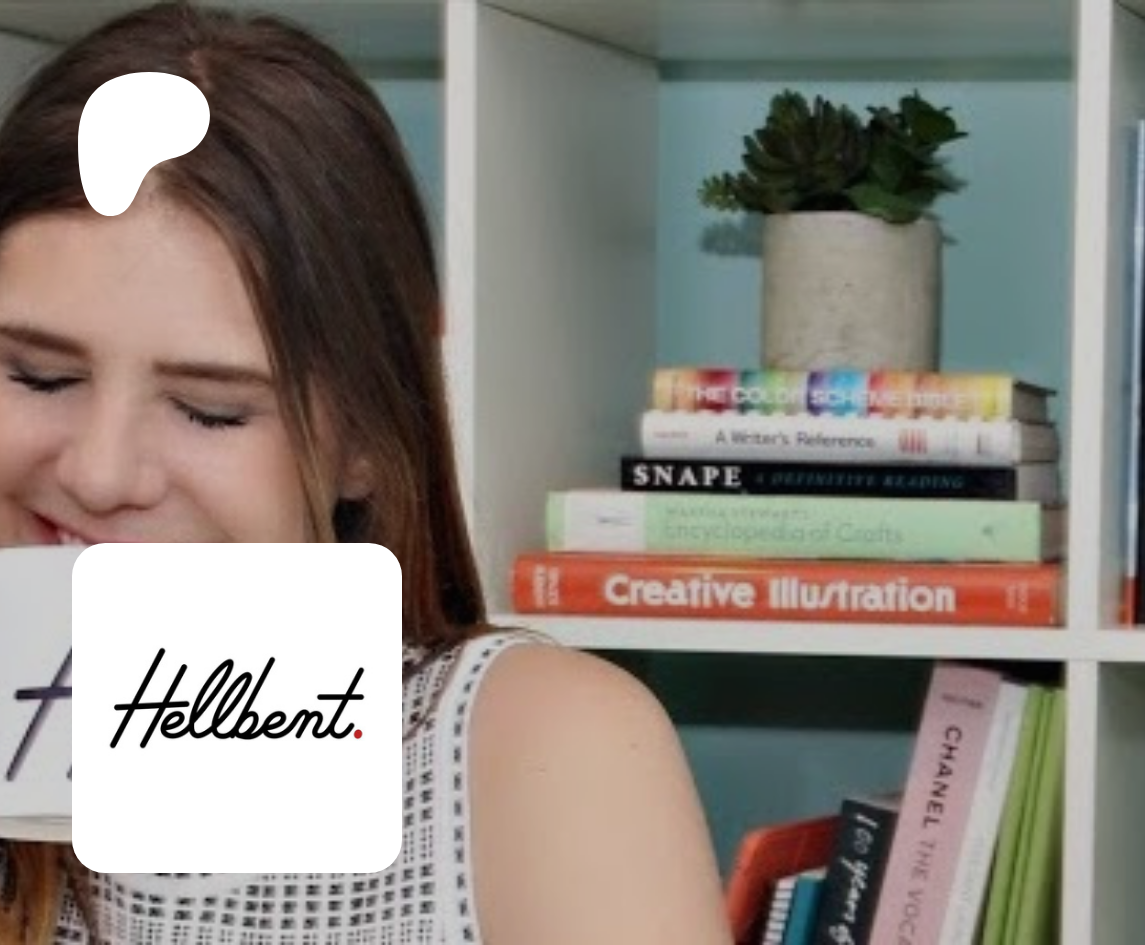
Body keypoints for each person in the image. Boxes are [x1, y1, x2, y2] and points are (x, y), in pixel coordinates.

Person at [0, 2, 732, 942]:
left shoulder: (540, 752)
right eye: (39, 375)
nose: (100, 472)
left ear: (365, 443)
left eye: (211, 409)